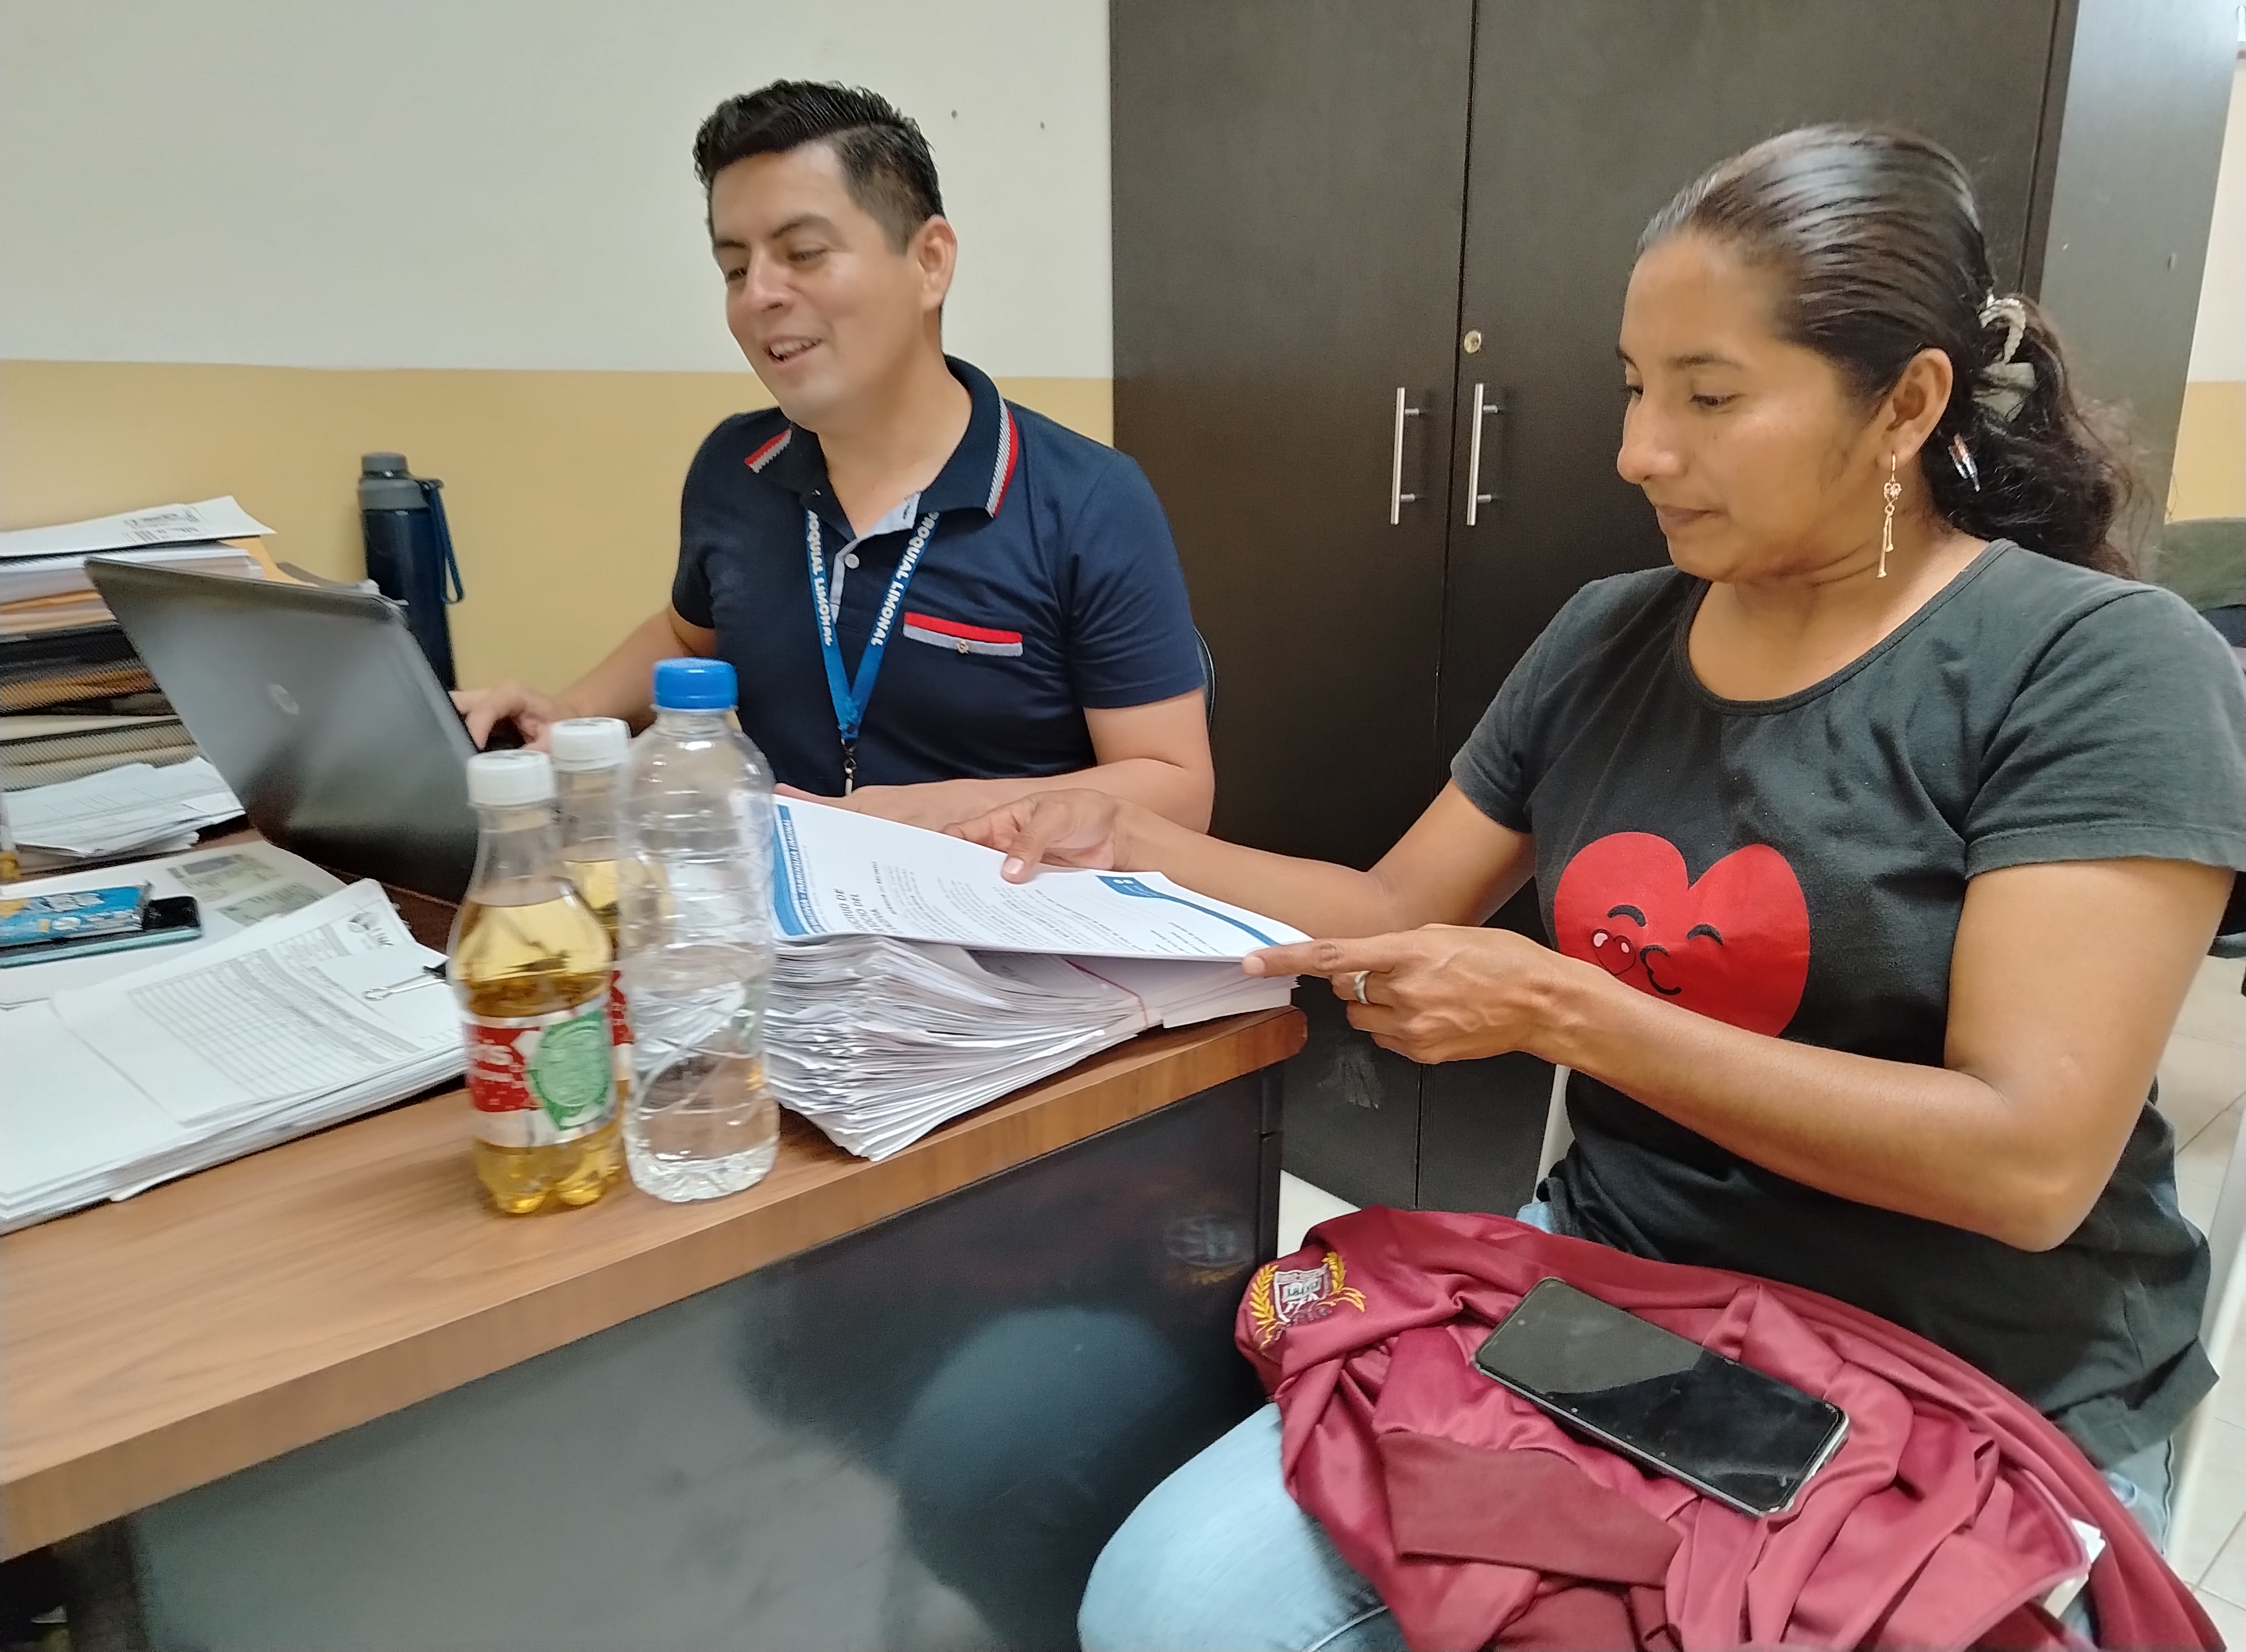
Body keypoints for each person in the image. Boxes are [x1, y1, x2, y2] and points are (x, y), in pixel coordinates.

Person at [951, 125, 2246, 1650]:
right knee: (1167, 1607)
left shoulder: (2097, 666)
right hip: (1634, 1305)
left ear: (1904, 404)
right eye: (1635, 388)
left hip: (1974, 1369)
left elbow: (2024, 1166)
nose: (1638, 450)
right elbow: (1394, 907)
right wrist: (1140, 843)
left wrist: (1571, 1013)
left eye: (1709, 395)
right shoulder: (1609, 636)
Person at [454, 81, 1213, 832]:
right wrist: (573, 714)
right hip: (779, 896)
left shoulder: (1086, 499)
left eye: (804, 254)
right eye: (735, 269)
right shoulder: (735, 466)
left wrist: (928, 814)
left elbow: (1175, 787)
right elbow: (690, 635)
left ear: (930, 262)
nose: (759, 296)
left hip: (1004, 900)